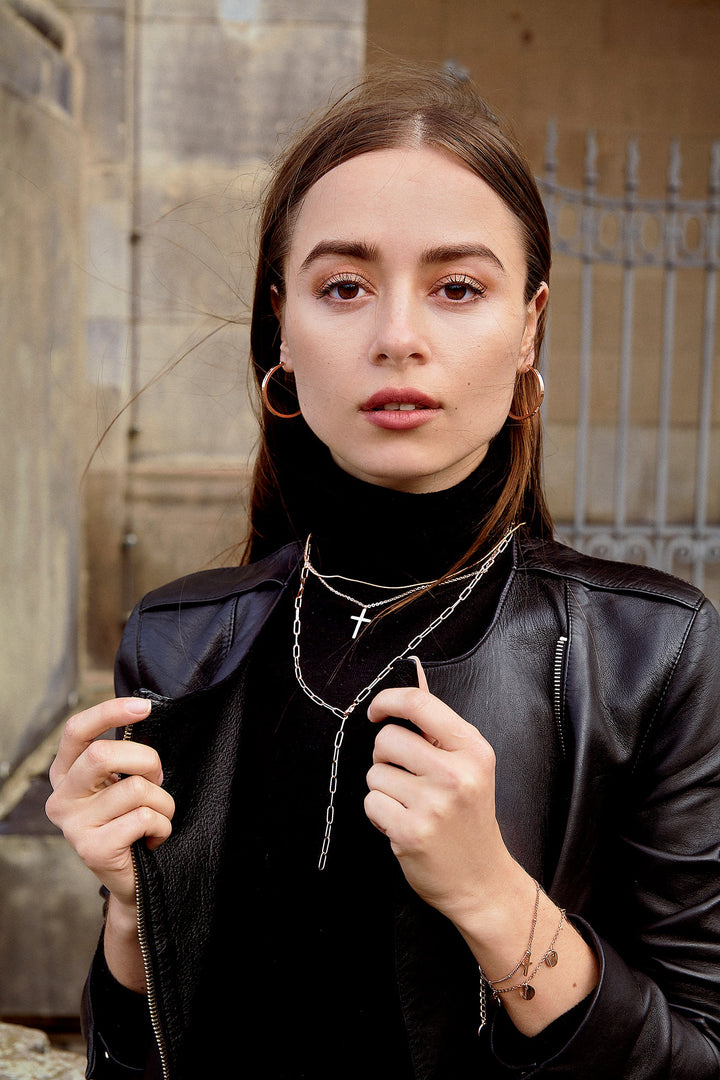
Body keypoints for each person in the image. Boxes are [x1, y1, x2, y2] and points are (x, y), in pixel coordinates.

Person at [46, 66, 720, 1079]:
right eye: (344, 287)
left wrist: (493, 896)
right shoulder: (178, 643)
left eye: (458, 288)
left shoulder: (648, 653)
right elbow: (144, 1055)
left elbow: (696, 1059)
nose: (398, 338)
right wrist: (131, 914)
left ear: (529, 325)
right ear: (283, 325)